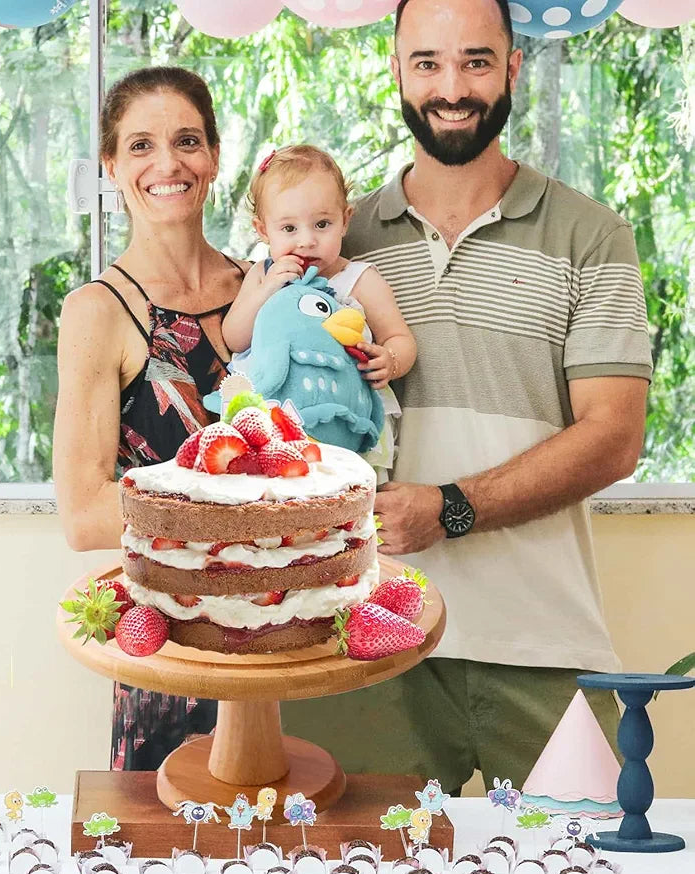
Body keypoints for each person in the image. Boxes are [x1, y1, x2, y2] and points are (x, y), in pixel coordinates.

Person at [281, 0, 652, 795]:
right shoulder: (341, 246)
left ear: (514, 68)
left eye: (476, 61)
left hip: (544, 644)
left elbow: (615, 436)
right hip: (366, 643)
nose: (453, 86)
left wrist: (452, 506)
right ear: (396, 70)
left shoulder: (591, 236)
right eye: (428, 63)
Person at [53, 66, 247, 770]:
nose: (167, 164)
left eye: (187, 140)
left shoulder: (269, 291)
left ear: (216, 157)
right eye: (140, 146)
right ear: (111, 166)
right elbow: (83, 514)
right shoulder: (98, 312)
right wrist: (255, 518)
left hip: (295, 638)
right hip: (171, 646)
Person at [223, 144, 417, 393]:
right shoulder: (261, 274)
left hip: (345, 406)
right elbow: (234, 339)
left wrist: (390, 360)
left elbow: (400, 338)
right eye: (289, 228)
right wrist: (267, 290)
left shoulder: (359, 280)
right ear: (263, 231)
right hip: (275, 409)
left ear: (345, 221)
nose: (307, 241)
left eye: (322, 224)